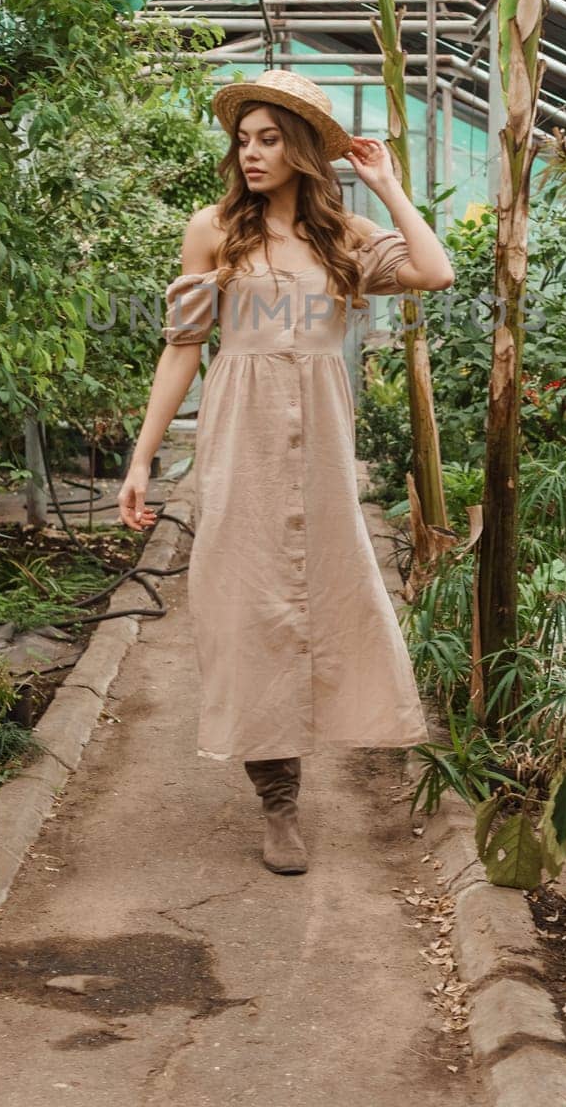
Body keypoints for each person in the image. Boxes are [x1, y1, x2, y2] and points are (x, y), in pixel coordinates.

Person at [118, 70, 455, 875]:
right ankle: (278, 804)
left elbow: (434, 272)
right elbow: (181, 348)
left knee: (332, 594)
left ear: (304, 150)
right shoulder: (212, 230)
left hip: (323, 445)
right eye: (244, 139)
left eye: (270, 139)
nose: (253, 153)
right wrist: (140, 460)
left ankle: (324, 746)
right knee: (244, 604)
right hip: (241, 437)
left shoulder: (343, 235)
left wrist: (387, 184)